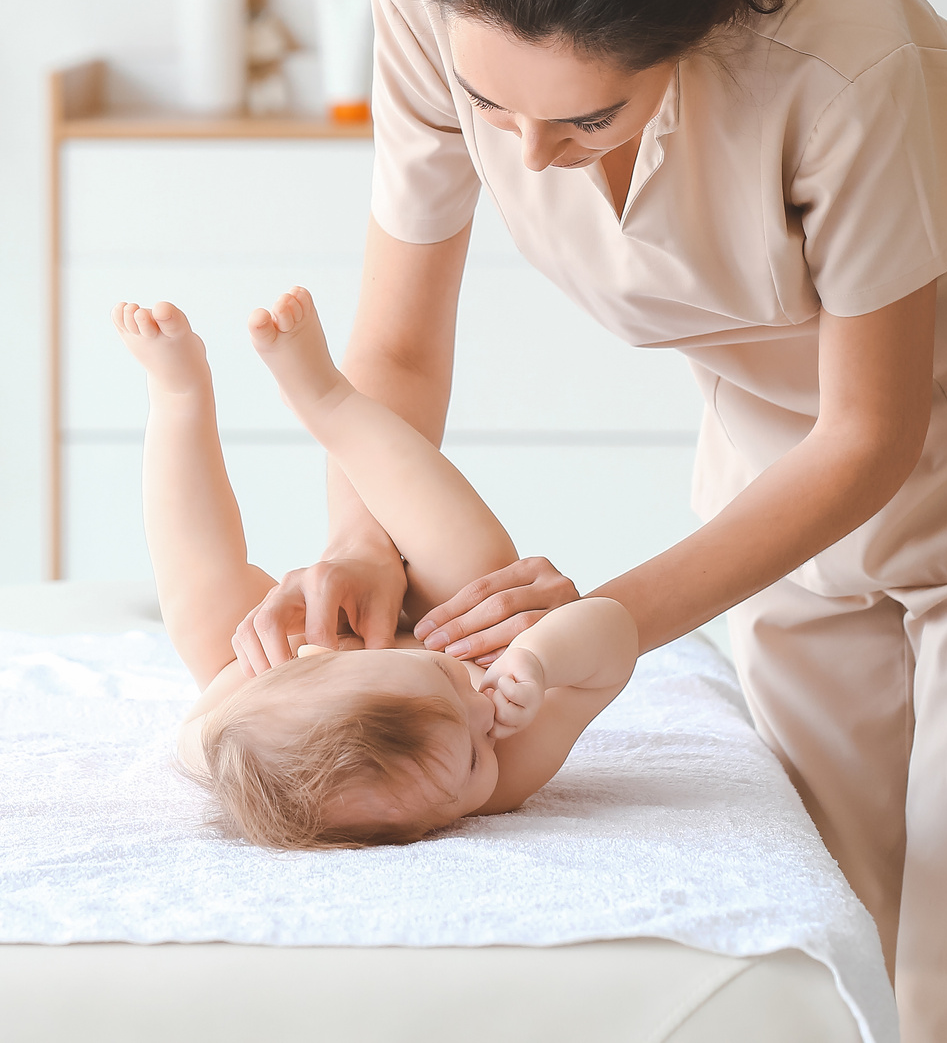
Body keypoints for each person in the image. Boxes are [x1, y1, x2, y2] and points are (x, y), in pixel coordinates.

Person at [234, 0, 947, 1039]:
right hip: (778, 470)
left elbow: (873, 431)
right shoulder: (429, 0)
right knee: (818, 936)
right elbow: (401, 346)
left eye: (583, 116)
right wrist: (361, 540)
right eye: (491, 109)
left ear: (690, 43)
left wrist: (616, 619)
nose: (524, 155)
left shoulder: (842, 57)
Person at [113, 290, 636, 851]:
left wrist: (260, 681)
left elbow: (212, 742)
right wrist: (539, 657)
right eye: (474, 761)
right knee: (478, 569)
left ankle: (179, 396)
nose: (485, 705)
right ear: (422, 827)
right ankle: (331, 402)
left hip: (277, 661)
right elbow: (613, 636)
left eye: (443, 679)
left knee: (206, 613)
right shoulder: (502, 774)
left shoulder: (227, 739)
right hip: (443, 620)